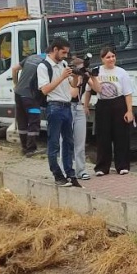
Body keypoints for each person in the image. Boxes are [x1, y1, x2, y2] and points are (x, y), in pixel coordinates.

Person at [83, 47, 134, 176]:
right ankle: (102, 167)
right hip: (103, 105)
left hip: (119, 103)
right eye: (108, 57)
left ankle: (122, 165)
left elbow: (128, 93)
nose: (111, 59)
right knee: (103, 136)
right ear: (102, 59)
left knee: (121, 136)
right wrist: (86, 105)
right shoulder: (97, 71)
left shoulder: (121, 72)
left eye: (113, 56)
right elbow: (89, 90)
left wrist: (129, 111)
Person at [37, 37, 80, 187]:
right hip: (54, 107)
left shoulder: (64, 64)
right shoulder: (43, 67)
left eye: (67, 53)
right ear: (55, 49)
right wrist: (62, 77)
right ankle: (57, 174)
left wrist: (75, 77)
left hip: (67, 106)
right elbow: (45, 89)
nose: (65, 56)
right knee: (54, 142)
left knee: (69, 142)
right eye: (63, 52)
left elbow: (72, 86)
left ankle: (70, 173)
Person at [12, 51, 47, 157]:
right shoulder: (46, 62)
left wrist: (16, 84)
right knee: (33, 121)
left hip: (18, 94)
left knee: (22, 120)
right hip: (30, 97)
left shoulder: (31, 57)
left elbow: (14, 69)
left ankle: (24, 148)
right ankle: (31, 149)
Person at [68, 56, 95, 180]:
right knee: (67, 141)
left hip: (79, 108)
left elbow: (95, 89)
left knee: (80, 141)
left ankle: (81, 170)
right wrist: (78, 78)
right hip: (68, 107)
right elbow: (73, 94)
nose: (80, 69)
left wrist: (90, 76)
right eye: (78, 67)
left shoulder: (83, 75)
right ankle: (67, 170)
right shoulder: (68, 76)